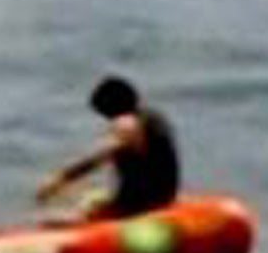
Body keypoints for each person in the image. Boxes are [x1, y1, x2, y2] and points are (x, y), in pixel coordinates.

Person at [35, 74, 180, 219]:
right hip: (164, 198)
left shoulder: (125, 125)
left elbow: (96, 158)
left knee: (59, 218)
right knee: (91, 196)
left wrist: (60, 178)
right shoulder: (152, 117)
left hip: (139, 207)